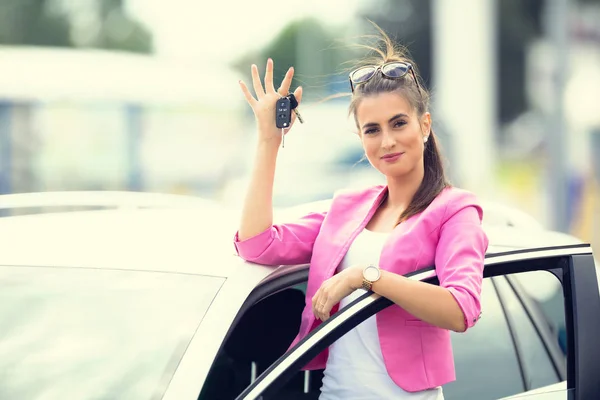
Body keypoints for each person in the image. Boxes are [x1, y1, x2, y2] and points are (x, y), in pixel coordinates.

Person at [233, 24, 489, 400]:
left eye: (398, 123)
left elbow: (461, 309)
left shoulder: (454, 210)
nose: (387, 141)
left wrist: (365, 276)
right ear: (361, 138)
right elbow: (256, 244)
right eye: (372, 130)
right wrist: (269, 141)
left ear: (424, 125)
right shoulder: (346, 208)